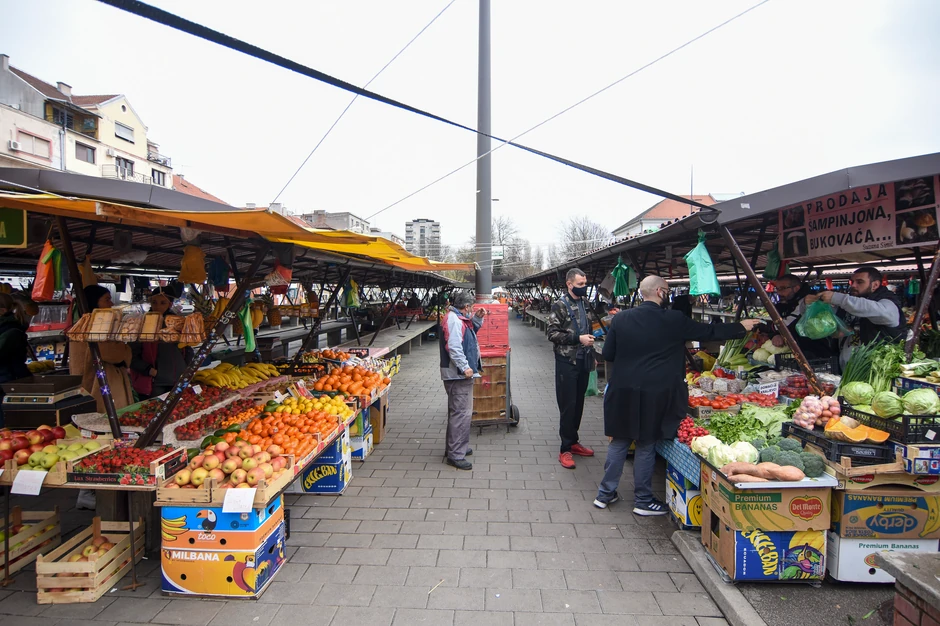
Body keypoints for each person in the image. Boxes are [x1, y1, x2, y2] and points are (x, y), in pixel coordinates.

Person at [595, 275, 760, 514]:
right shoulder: (673, 319)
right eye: (668, 290)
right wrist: (739, 327)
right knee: (646, 444)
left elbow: (608, 353)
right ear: (661, 292)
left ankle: (604, 495)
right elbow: (708, 331)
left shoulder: (621, 318)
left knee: (619, 440)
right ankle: (642, 502)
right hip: (655, 394)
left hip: (622, 390)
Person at [807, 266, 909, 368]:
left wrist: (837, 298)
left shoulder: (887, 302)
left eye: (859, 282)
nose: (853, 285)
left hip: (876, 371)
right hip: (847, 370)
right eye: (852, 282)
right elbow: (823, 319)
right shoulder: (849, 304)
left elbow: (878, 312)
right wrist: (808, 304)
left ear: (875, 285)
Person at [547, 268, 597, 469]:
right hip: (567, 362)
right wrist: (578, 339)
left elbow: (588, 328)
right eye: (580, 285)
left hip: (583, 360)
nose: (584, 288)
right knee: (568, 405)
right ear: (569, 284)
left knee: (578, 404)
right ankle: (565, 448)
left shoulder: (585, 303)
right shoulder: (559, 305)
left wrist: (591, 352)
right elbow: (551, 333)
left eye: (585, 284)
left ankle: (574, 441)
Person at [439, 290, 486, 470]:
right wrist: (465, 366)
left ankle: (457, 447)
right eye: (472, 308)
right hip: (457, 374)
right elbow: (454, 346)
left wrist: (478, 319)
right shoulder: (453, 319)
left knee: (459, 412)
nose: (472, 310)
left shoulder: (458, 318)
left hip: (459, 373)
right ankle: (455, 454)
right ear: (466, 307)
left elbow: (469, 332)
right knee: (461, 413)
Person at [69, 285, 134, 412]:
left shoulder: (83, 324)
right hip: (98, 386)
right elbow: (116, 354)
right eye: (107, 299)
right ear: (94, 302)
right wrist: (126, 349)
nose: (111, 303)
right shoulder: (95, 327)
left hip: (91, 384)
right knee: (104, 422)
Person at [130, 287, 192, 399]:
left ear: (169, 304)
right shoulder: (142, 324)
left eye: (162, 303)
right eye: (154, 302)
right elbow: (132, 355)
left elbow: (187, 348)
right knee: (155, 412)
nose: (157, 306)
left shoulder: (178, 323)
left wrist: (186, 368)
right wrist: (149, 370)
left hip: (178, 379)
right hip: (154, 382)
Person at [766, 275, 834, 361]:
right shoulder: (782, 305)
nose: (779, 293)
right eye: (777, 289)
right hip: (796, 355)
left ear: (796, 288)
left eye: (783, 288)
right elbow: (775, 323)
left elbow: (789, 322)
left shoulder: (810, 302)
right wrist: (775, 334)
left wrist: (773, 329)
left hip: (817, 354)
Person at [0, 294, 31, 427]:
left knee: (5, 425)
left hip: (5, 383)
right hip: (8, 380)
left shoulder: (10, 332)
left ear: (2, 311)